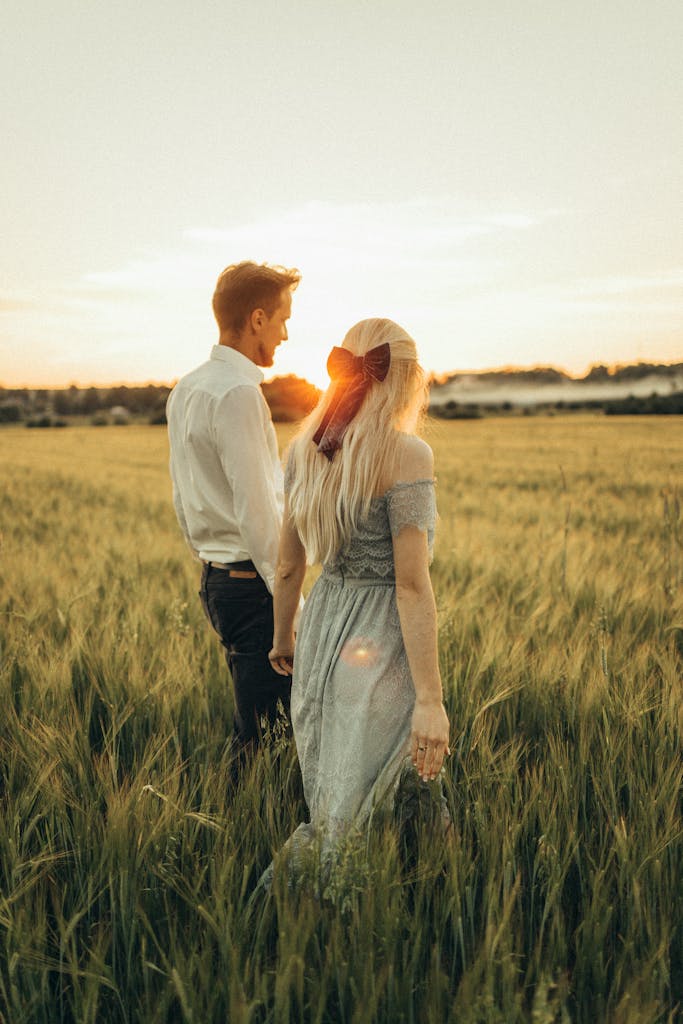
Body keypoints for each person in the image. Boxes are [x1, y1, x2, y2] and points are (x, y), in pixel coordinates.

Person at [267, 317, 450, 875]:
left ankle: (324, 920)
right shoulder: (408, 455)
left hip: (322, 634)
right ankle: (377, 913)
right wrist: (430, 700)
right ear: (404, 380)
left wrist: (283, 638)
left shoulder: (304, 450)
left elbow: (288, 565)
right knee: (390, 798)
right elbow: (412, 586)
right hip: (382, 638)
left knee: (336, 801)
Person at [166, 261, 300, 760]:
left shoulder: (187, 388)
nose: (286, 334)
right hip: (253, 588)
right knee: (267, 740)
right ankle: (247, 826)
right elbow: (261, 516)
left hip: (218, 580)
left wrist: (210, 557)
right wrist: (292, 613)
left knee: (255, 725)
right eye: (283, 319)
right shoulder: (240, 393)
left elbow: (184, 495)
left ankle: (244, 821)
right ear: (258, 318)